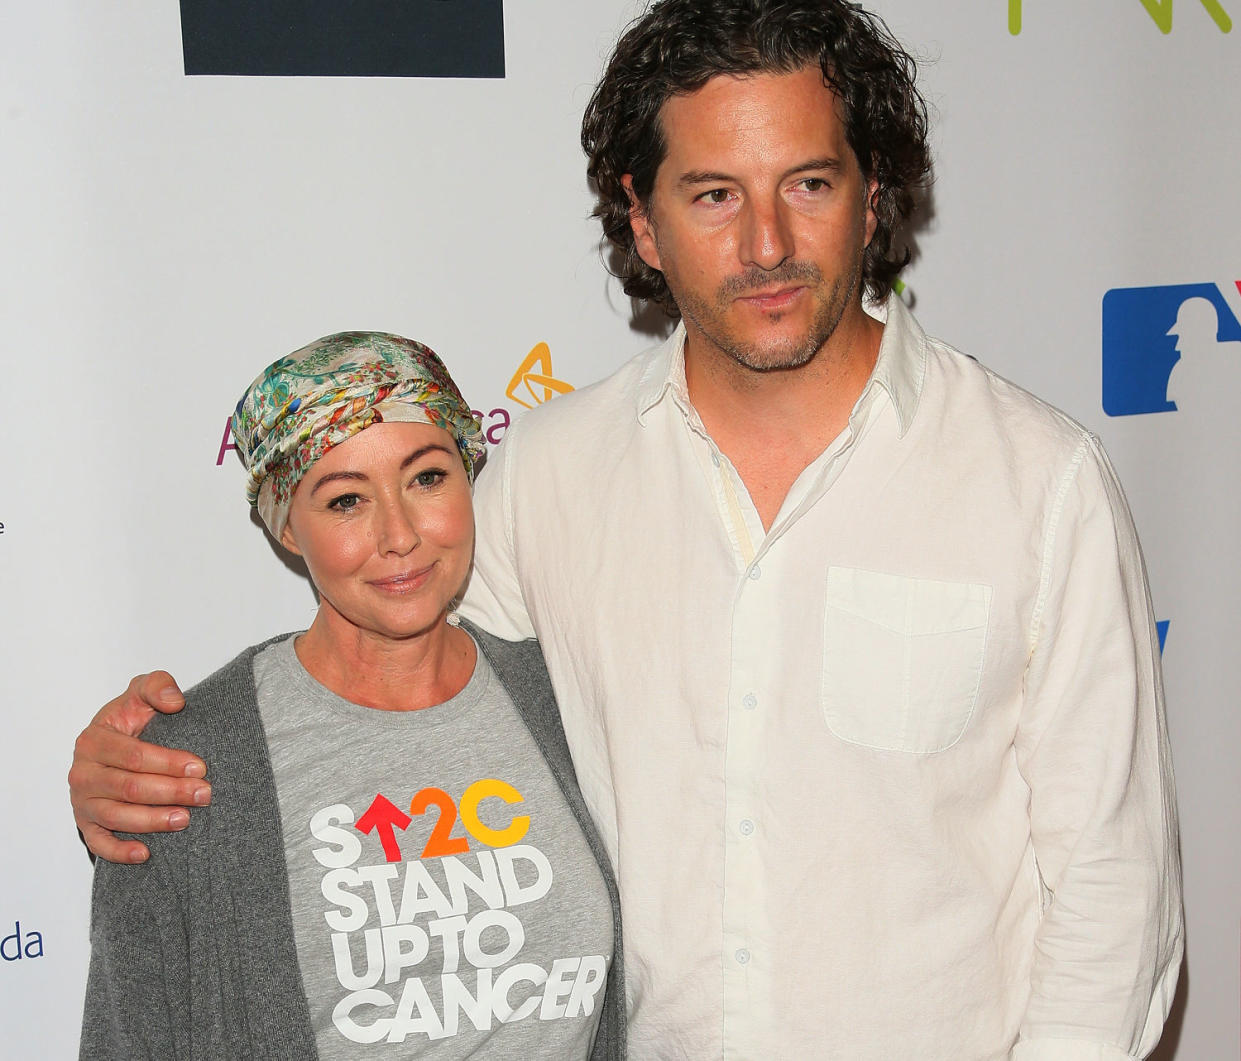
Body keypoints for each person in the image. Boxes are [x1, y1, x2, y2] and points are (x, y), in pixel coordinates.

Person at [70, 2, 1182, 1058]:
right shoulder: (547, 477)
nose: (764, 242)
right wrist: (157, 768)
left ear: (871, 194)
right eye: (710, 195)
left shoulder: (1036, 482)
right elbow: (394, 696)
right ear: (642, 222)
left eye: (806, 182)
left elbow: (1110, 885)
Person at [78, 333, 625, 1059]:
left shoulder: (566, 692)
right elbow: (130, 1039)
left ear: (469, 476)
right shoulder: (182, 767)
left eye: (426, 479)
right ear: (283, 524)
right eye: (345, 499)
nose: (398, 535)